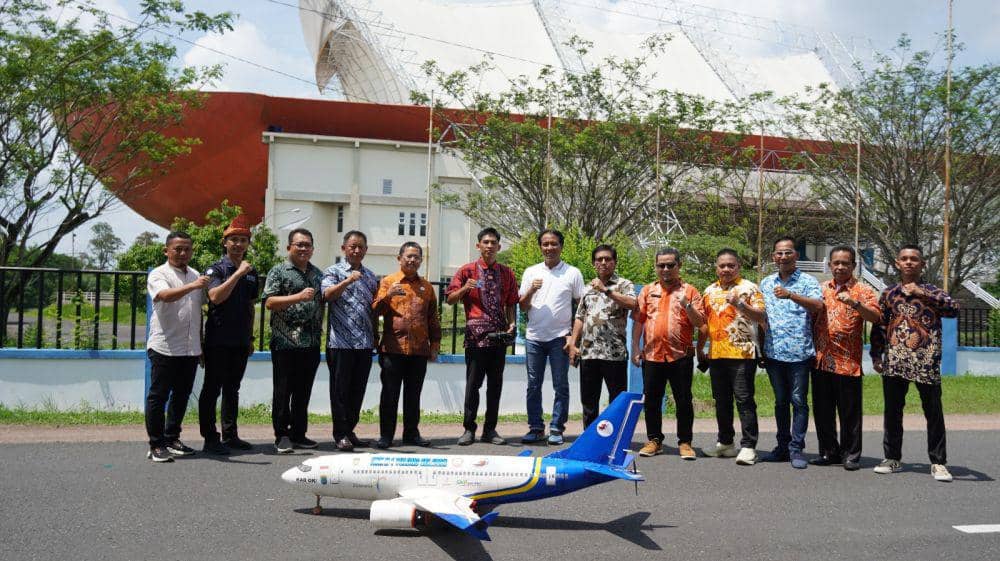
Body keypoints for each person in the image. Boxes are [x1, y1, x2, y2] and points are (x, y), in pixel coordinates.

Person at [870, 245, 959, 482]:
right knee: (892, 413)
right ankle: (892, 458)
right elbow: (880, 325)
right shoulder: (889, 293)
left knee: (934, 413)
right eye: (904, 259)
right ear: (897, 263)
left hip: (926, 363)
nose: (909, 262)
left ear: (922, 264)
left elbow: (954, 309)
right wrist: (876, 356)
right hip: (895, 362)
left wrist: (921, 293)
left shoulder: (933, 292)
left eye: (914, 259)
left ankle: (938, 462)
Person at [446, 228, 518, 446]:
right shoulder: (467, 271)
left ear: (499, 246)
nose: (489, 245)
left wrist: (512, 322)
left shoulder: (506, 273)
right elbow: (450, 299)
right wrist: (465, 289)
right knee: (473, 385)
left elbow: (511, 302)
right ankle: (469, 429)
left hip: (499, 338)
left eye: (493, 242)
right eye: (485, 242)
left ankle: (490, 430)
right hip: (476, 338)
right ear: (478, 246)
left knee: (495, 386)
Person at [631, 248, 704, 459]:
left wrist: (687, 306)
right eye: (661, 265)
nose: (665, 269)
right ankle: (654, 440)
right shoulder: (646, 290)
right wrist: (635, 347)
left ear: (679, 266)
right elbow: (639, 321)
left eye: (670, 265)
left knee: (683, 400)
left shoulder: (690, 291)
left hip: (680, 355)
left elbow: (700, 323)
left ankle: (685, 442)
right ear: (656, 267)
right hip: (652, 355)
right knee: (652, 400)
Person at [811, 246, 879, 471]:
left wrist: (855, 304)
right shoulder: (819, 289)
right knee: (823, 411)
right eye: (836, 263)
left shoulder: (863, 291)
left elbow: (876, 318)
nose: (840, 267)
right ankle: (829, 452)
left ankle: (851, 454)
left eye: (845, 263)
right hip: (821, 360)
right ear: (829, 265)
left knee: (849, 413)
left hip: (848, 363)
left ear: (853, 266)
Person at [697, 248, 767, 466]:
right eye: (722, 265)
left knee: (744, 400)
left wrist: (739, 303)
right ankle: (725, 443)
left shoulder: (749, 288)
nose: (726, 269)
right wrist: (701, 349)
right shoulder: (709, 291)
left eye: (731, 265)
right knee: (722, 401)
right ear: (716, 268)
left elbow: (762, 316)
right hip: (717, 353)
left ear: (739, 267)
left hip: (743, 353)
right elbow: (704, 323)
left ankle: (748, 446)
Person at [760, 236, 824, 469]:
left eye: (788, 252)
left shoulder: (807, 280)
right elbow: (761, 318)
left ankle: (797, 449)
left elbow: (818, 306)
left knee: (798, 401)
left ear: (796, 255)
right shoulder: (766, 283)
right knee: (780, 402)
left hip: (800, 353)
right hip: (774, 353)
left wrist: (791, 295)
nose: (783, 257)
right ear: (773, 257)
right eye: (779, 253)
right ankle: (782, 447)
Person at [144, 231, 209, 462]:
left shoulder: (194, 274)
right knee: (158, 396)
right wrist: (193, 286)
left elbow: (198, 313)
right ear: (166, 250)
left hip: (189, 348)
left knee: (181, 395)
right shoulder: (158, 274)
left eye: (187, 249)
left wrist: (199, 345)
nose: (183, 253)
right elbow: (165, 296)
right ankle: (156, 444)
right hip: (165, 346)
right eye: (177, 249)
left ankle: (172, 438)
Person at [198, 216, 259, 455]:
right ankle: (210, 438)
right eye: (234, 239)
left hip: (240, 340)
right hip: (218, 340)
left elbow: (251, 305)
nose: (238, 244)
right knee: (212, 388)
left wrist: (251, 338)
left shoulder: (252, 273)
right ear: (225, 242)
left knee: (233, 388)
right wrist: (237, 274)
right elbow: (215, 297)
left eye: (243, 240)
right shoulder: (217, 269)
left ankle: (230, 435)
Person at [372, 242, 441, 449]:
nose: (412, 260)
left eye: (416, 257)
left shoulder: (427, 287)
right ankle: (386, 436)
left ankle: (411, 434)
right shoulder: (388, 282)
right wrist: (388, 296)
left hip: (419, 350)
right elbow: (375, 310)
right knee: (390, 395)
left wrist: (435, 343)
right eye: (408, 256)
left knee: (413, 395)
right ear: (399, 258)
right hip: (393, 349)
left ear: (421, 260)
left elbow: (432, 318)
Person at [519, 229, 585, 445]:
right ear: (540, 247)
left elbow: (581, 306)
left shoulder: (572, 273)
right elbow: (522, 306)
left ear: (561, 246)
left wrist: (572, 337)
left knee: (561, 385)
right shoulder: (530, 272)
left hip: (560, 338)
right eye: (545, 244)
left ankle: (557, 428)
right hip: (534, 337)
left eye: (554, 244)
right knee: (533, 385)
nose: (549, 248)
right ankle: (536, 428)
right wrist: (530, 290)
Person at [262, 228, 324, 454]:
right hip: (285, 343)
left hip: (311, 343)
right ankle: (282, 436)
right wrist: (298, 297)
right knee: (283, 391)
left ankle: (299, 433)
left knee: (303, 392)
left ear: (313, 249)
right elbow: (269, 302)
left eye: (307, 245)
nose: (303, 248)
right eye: (299, 244)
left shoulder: (318, 274)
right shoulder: (278, 271)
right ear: (289, 247)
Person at [568, 244, 636, 429]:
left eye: (608, 259)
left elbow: (632, 304)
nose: (603, 262)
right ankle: (590, 439)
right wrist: (573, 344)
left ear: (614, 262)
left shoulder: (624, 284)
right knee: (589, 401)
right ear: (593, 264)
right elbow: (580, 317)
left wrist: (606, 290)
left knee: (617, 400)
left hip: (614, 353)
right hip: (589, 353)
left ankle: (615, 438)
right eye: (599, 259)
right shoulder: (588, 288)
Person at [322, 231, 378, 451]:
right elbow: (327, 296)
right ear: (343, 248)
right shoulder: (333, 272)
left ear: (365, 250)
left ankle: (350, 429)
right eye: (352, 246)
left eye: (361, 247)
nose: (356, 250)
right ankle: (340, 434)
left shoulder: (371, 276)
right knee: (340, 392)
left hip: (363, 343)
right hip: (340, 343)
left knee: (358, 390)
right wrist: (347, 280)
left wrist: (375, 335)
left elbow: (373, 310)